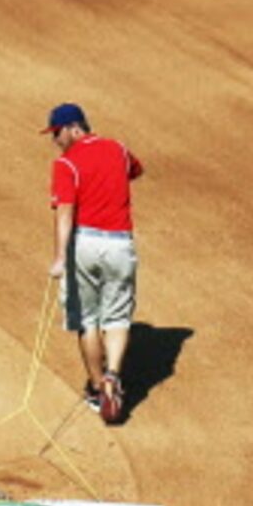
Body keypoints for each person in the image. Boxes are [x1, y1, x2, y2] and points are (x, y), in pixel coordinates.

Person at [44, 103, 146, 425]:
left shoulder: (66, 164)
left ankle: (96, 387)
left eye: (57, 133)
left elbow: (64, 213)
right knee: (117, 317)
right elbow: (135, 170)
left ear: (74, 128)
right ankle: (114, 375)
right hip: (120, 243)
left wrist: (60, 258)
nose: (55, 141)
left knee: (87, 319)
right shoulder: (118, 148)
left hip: (85, 244)